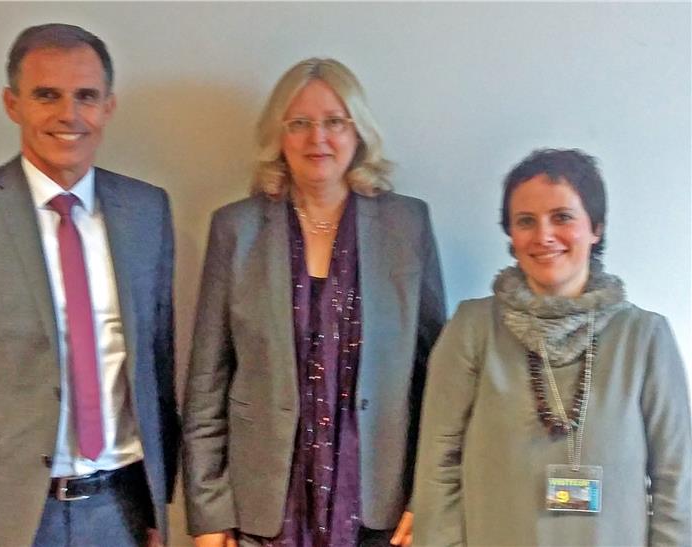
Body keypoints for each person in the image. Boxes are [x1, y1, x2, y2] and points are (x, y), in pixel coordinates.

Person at [0, 23, 178, 547]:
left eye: (86, 96)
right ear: (12, 104)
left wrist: (158, 504)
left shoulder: (147, 212)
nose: (69, 114)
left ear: (108, 106)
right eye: (47, 95)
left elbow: (157, 372)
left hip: (119, 512)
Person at [183, 57, 446, 547]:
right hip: (261, 510)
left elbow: (435, 378)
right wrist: (209, 513)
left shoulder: (406, 227)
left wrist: (426, 493)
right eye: (299, 123)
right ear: (279, 135)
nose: (317, 138)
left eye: (334, 122)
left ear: (357, 132)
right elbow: (206, 382)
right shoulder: (236, 229)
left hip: (381, 510)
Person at [413, 148, 692, 546]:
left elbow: (677, 481)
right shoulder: (472, 329)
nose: (543, 235)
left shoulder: (646, 337)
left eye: (562, 217)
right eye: (526, 221)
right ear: (511, 235)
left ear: (596, 227)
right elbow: (436, 469)